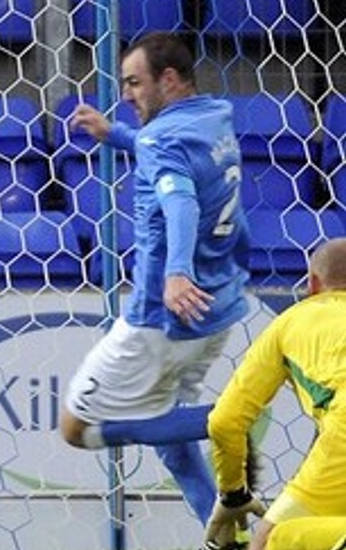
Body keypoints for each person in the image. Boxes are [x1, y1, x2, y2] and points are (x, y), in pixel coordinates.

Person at [60, 32, 251, 527]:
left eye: (133, 82)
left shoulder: (160, 139)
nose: (125, 94)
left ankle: (225, 419)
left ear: (168, 79)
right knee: (170, 441)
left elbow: (180, 200)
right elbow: (173, 157)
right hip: (217, 308)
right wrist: (117, 135)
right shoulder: (214, 117)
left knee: (76, 427)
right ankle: (227, 534)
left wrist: (176, 273)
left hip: (162, 318)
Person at [203, 238, 346, 550]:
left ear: (313, 283)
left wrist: (233, 493)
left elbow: (225, 422)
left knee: (270, 541)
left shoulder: (290, 323)